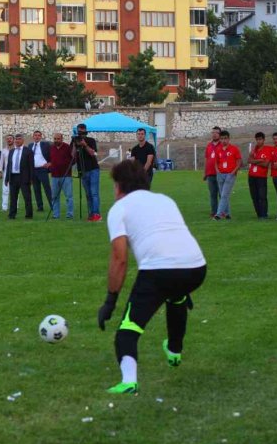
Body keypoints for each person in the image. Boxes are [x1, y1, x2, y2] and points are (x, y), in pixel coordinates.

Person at [97, 160, 207, 395]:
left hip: (158, 271)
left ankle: (128, 381)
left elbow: (120, 259)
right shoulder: (165, 200)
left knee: (128, 330)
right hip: (197, 267)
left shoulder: (119, 209)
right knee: (176, 297)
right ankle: (175, 351)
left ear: (119, 186)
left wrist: (110, 301)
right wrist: (184, 283)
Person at [73, 123, 101, 221]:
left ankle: (96, 214)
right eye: (79, 132)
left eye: (83, 131)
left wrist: (85, 145)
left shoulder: (91, 140)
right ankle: (91, 214)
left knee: (94, 193)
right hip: (83, 170)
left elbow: (93, 153)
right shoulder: (75, 140)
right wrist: (74, 144)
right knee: (88, 194)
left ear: (85, 131)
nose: (81, 134)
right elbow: (72, 155)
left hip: (93, 169)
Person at [5, 133, 34, 220]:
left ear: (23, 140)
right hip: (13, 177)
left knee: (27, 197)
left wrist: (31, 178)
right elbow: (9, 166)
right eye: (16, 139)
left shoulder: (28, 151)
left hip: (24, 177)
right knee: (13, 197)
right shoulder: (11, 151)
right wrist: (7, 178)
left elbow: (31, 166)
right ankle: (12, 215)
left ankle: (29, 215)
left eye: (19, 139)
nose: (17, 141)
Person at [214, 130, 241, 220]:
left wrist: (233, 172)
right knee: (223, 195)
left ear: (228, 139)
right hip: (220, 174)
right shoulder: (218, 150)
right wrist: (218, 171)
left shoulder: (234, 149)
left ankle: (218, 214)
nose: (223, 140)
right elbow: (216, 162)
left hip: (230, 174)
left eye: (225, 138)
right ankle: (227, 213)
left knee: (224, 194)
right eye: (222, 139)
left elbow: (239, 162)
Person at [247, 132, 272, 219]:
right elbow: (249, 160)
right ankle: (259, 214)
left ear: (264, 140)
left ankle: (264, 214)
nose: (259, 141)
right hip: (251, 175)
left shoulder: (268, 149)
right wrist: (260, 160)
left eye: (260, 139)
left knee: (262, 196)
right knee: (254, 196)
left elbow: (266, 164)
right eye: (257, 140)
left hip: (261, 176)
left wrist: (255, 161)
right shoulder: (254, 150)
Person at [49, 132, 74, 219]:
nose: (56, 140)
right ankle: (56, 215)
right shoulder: (51, 148)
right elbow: (50, 160)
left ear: (62, 139)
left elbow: (73, 160)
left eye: (58, 139)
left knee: (69, 196)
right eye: (55, 139)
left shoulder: (67, 147)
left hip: (66, 176)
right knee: (54, 197)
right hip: (54, 176)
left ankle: (70, 214)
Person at [28, 130, 53, 212]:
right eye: (35, 135)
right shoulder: (30, 145)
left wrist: (50, 162)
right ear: (33, 136)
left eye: (39, 135)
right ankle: (40, 206)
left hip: (43, 169)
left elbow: (52, 154)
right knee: (36, 189)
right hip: (33, 170)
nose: (37, 137)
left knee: (47, 188)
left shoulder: (45, 145)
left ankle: (52, 206)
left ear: (41, 137)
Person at [203, 126, 221, 218]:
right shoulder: (209, 145)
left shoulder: (222, 145)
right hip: (210, 173)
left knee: (221, 194)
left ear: (219, 134)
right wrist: (205, 172)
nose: (214, 134)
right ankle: (214, 211)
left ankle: (222, 212)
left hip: (220, 173)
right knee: (213, 194)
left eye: (216, 132)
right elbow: (207, 159)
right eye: (213, 132)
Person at [0, 134, 14, 211]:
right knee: (5, 190)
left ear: (13, 140)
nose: (9, 140)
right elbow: (1, 162)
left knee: (15, 190)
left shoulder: (17, 149)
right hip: (6, 173)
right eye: (7, 139)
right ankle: (4, 207)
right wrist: (0, 171)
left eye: (10, 138)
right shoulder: (3, 150)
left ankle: (15, 206)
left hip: (15, 172)